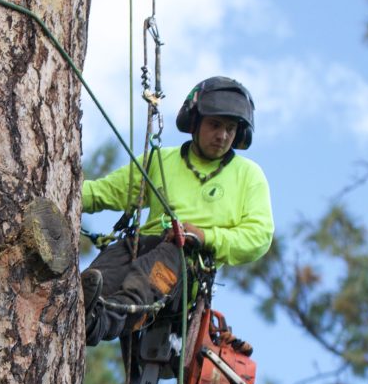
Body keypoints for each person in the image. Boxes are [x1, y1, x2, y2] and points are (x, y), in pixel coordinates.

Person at [81, 76, 274, 346]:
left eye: (231, 129)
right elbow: (105, 192)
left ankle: (101, 320)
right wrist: (61, 191)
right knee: (99, 275)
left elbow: (259, 236)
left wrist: (205, 237)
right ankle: (77, 310)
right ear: (194, 122)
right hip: (142, 247)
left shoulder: (248, 175)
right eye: (215, 125)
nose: (222, 135)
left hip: (186, 267)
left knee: (166, 260)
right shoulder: (162, 161)